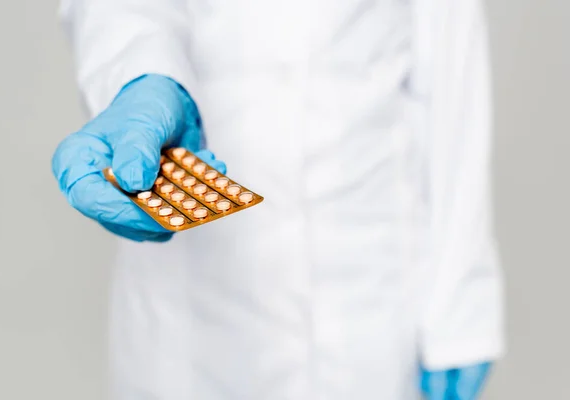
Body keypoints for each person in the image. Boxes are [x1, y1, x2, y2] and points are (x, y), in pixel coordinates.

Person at [52, 0, 504, 398]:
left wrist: (462, 301)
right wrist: (139, 78)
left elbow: (451, 65)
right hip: (192, 321)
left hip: (373, 284)